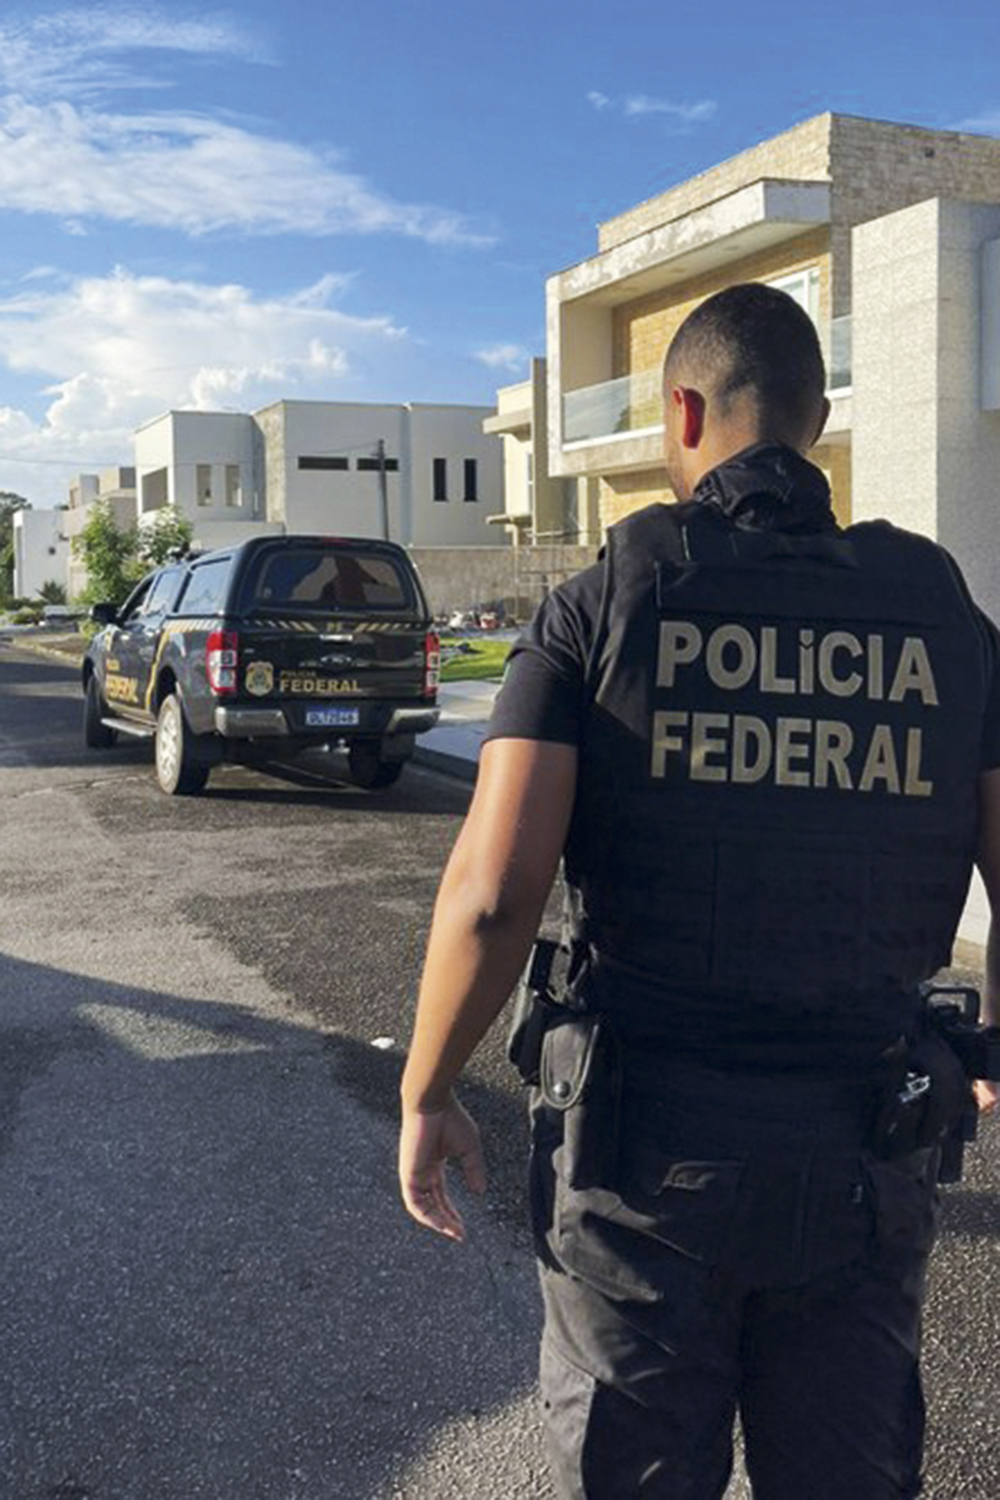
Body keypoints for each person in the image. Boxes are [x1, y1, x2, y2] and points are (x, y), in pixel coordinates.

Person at [398, 282, 1000, 1499]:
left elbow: (490, 895)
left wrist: (427, 1089)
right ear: (814, 419)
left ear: (681, 410)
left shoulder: (601, 604)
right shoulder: (941, 615)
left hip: (642, 1169)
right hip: (861, 1155)